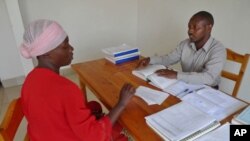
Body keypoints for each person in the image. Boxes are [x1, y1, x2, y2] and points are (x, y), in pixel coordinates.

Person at [20, 19, 135, 141]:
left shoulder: (30, 79)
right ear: (46, 53)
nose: (71, 48)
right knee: (120, 130)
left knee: (94, 106)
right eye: (65, 46)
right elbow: (95, 137)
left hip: (42, 135)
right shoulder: (66, 89)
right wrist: (121, 103)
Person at [136, 11, 226, 88]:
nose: (190, 31)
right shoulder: (185, 44)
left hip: (208, 90)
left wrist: (176, 75)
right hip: (186, 85)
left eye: (195, 27)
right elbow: (168, 59)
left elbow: (208, 78)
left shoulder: (218, 50)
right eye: (189, 27)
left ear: (208, 28)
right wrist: (150, 60)